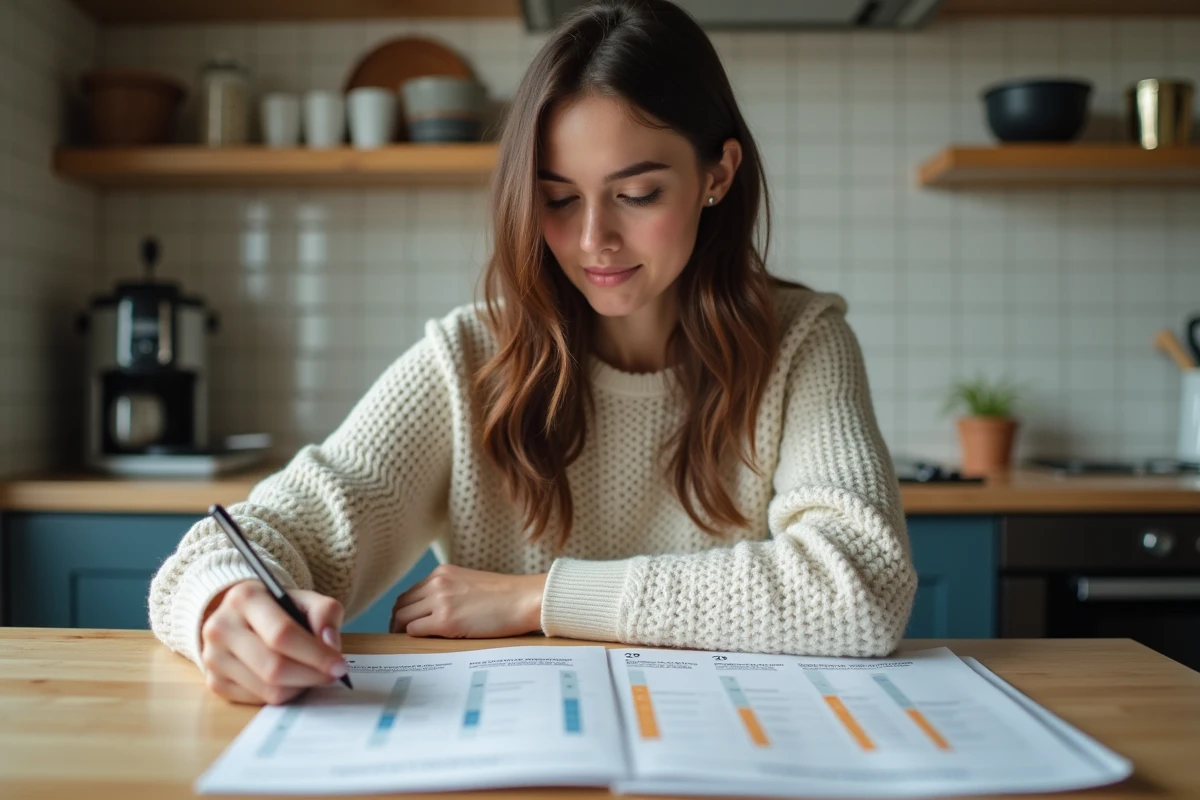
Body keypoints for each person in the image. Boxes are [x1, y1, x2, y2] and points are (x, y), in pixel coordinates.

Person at [149, 0, 916, 706]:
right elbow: (249, 541)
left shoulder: (803, 345)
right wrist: (223, 605)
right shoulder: (469, 357)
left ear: (717, 175)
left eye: (638, 193)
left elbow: (862, 584)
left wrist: (539, 597)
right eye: (557, 198)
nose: (593, 242)